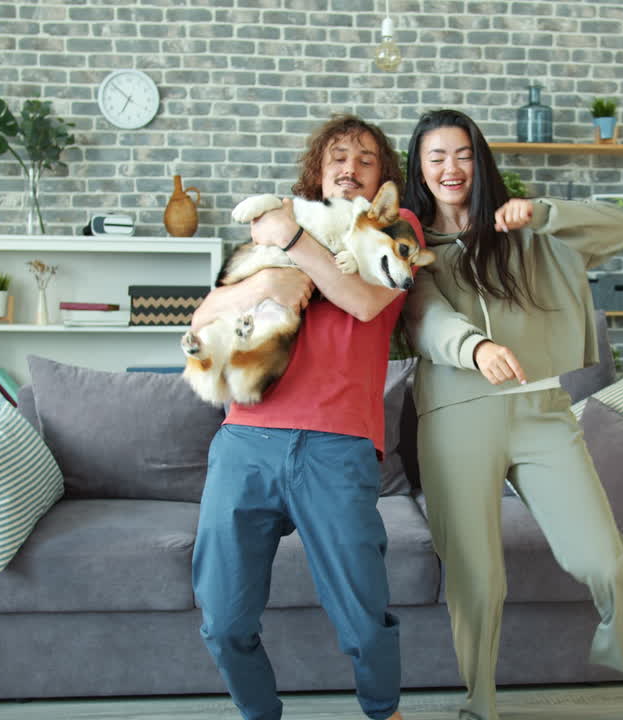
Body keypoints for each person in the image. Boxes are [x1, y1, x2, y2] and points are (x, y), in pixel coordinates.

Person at [400, 109, 623, 720]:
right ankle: (481, 705)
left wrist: (542, 212)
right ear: (420, 166)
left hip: (542, 410)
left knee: (604, 559)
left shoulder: (523, 227)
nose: (451, 168)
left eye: (462, 154)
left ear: (480, 159)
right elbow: (422, 315)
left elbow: (622, 227)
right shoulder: (412, 245)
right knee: (477, 577)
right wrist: (474, 347)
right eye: (436, 156)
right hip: (455, 416)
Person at [190, 114, 423, 720]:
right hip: (246, 439)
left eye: (366, 159)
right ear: (318, 172)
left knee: (363, 617)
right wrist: (266, 276)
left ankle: (383, 710)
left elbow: (365, 301)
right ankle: (258, 713)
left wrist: (292, 243)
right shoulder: (274, 240)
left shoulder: (395, 228)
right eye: (338, 157)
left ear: (383, 178)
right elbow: (200, 320)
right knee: (220, 619)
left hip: (338, 447)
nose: (350, 167)